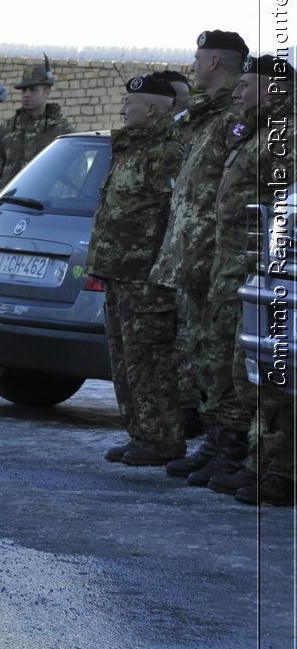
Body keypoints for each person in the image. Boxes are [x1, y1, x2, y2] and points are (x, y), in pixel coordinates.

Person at [153, 30, 252, 487]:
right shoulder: (206, 112)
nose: (192, 65)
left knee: (220, 356)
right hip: (191, 254)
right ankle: (214, 441)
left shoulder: (239, 112)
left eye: (197, 58)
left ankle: (231, 445)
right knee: (200, 355)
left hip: (219, 255)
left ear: (215, 61)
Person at [202, 55, 293, 504]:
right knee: (245, 370)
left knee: (271, 374)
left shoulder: (287, 136)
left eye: (246, 86)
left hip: (272, 274)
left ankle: (277, 472)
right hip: (242, 269)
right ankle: (255, 462)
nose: (237, 94)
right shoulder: (261, 131)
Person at [87, 73, 187, 465]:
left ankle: (162, 440)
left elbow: (174, 215)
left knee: (150, 360)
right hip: (119, 271)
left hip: (146, 275)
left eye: (130, 103)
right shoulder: (130, 148)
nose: (122, 109)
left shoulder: (166, 153)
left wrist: (162, 270)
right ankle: (139, 433)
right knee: (124, 357)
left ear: (151, 109)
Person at [0, 59, 71, 195]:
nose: (26, 94)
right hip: (9, 201)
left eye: (33, 89)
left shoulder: (61, 132)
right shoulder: (7, 129)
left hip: (43, 204)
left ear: (47, 92)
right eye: (24, 90)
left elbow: (71, 173)